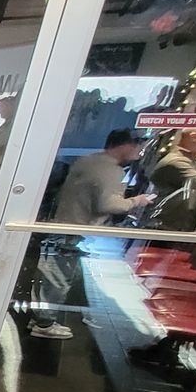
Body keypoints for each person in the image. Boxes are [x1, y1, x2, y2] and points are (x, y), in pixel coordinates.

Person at [32, 129, 155, 340]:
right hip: (76, 226)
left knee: (52, 273)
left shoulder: (88, 160)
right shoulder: (110, 171)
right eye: (137, 145)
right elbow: (107, 204)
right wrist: (137, 201)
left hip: (63, 222)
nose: (140, 150)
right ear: (124, 145)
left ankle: (41, 317)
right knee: (59, 277)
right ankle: (45, 322)